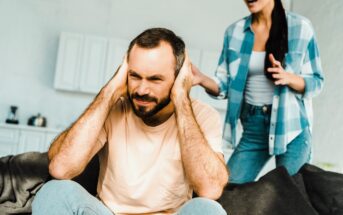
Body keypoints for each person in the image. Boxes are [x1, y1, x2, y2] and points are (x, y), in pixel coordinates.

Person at [32, 28, 229, 215]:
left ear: (179, 79)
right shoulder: (114, 108)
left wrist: (181, 98)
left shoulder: (202, 116)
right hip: (109, 213)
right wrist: (109, 92)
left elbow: (211, 189)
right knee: (55, 191)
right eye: (135, 76)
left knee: (208, 209)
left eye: (155, 79)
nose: (141, 89)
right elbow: (60, 168)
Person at [192, 0, 324, 183]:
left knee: (290, 199)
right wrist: (202, 79)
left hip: (291, 128)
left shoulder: (300, 27)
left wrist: (288, 77)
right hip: (253, 126)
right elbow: (224, 84)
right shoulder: (234, 32)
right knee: (227, 192)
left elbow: (316, 81)